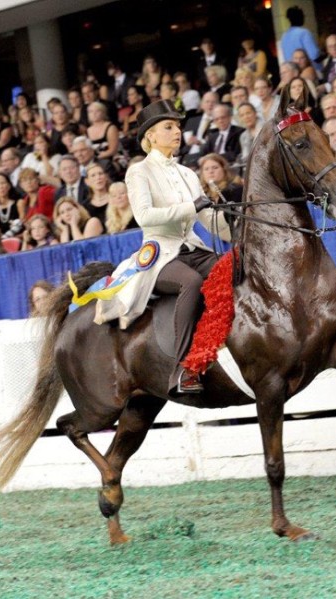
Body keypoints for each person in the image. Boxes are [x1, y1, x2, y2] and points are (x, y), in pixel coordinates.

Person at [94, 100, 231, 395]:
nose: (177, 131)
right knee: (191, 283)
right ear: (151, 136)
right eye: (169, 127)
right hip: (161, 253)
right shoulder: (138, 172)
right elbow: (144, 216)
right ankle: (184, 370)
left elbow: (206, 218)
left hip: (193, 247)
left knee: (235, 266)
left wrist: (236, 230)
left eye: (179, 127)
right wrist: (189, 206)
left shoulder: (188, 174)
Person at [198, 152, 243, 224]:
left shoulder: (236, 190)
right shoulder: (201, 196)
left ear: (224, 169)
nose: (211, 171)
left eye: (215, 168)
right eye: (206, 169)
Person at [84, 162, 110, 228]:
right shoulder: (85, 206)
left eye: (100, 174)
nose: (98, 177)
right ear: (87, 181)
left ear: (106, 177)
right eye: (93, 175)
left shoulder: (116, 197)